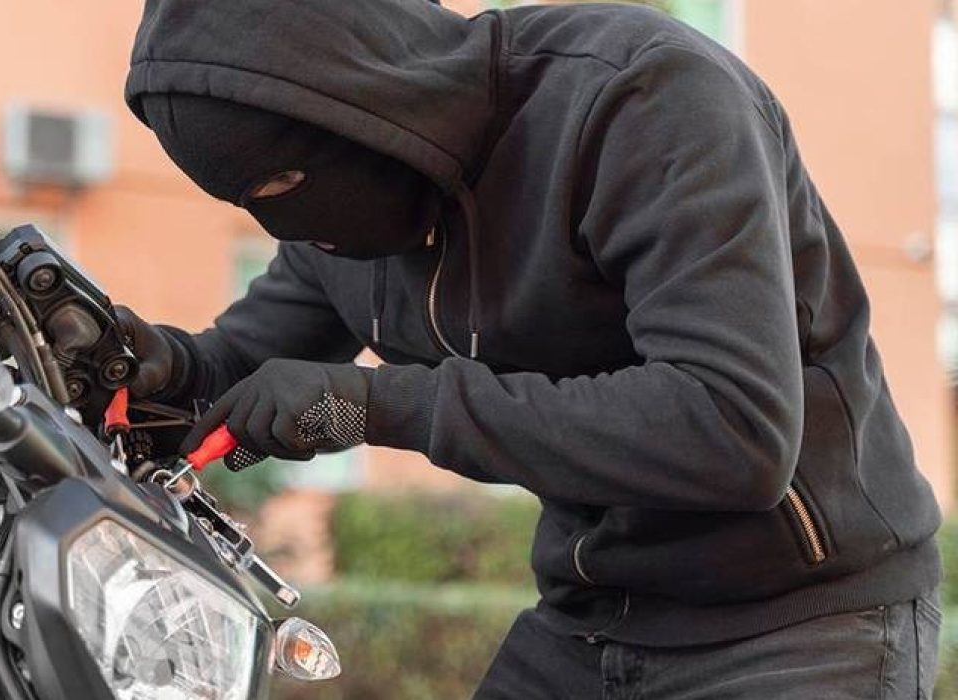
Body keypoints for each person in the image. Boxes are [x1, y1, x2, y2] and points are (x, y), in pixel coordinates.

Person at [118, 0, 943, 696]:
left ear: (348, 104)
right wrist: (137, 359)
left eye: (277, 188)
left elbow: (733, 428)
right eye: (241, 202)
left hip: (801, 622)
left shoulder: (641, 98)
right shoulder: (349, 222)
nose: (283, 227)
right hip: (593, 613)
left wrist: (373, 407)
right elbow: (234, 371)